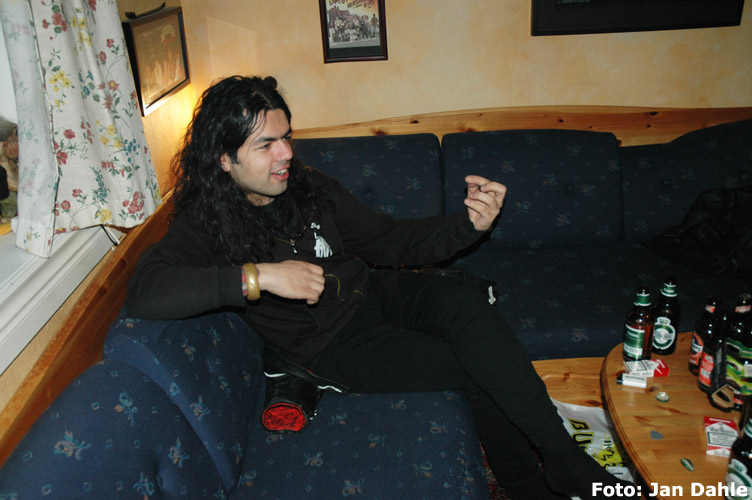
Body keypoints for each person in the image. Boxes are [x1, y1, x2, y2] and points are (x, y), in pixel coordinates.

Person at [126, 75, 636, 500]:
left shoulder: (307, 185)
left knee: (465, 303)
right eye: (266, 145)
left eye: (286, 136)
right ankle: (535, 484)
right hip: (334, 346)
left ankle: (565, 460)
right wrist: (258, 276)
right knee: (476, 370)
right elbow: (146, 290)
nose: (286, 153)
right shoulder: (205, 223)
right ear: (224, 159)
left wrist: (468, 226)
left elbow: (388, 239)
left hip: (372, 291)